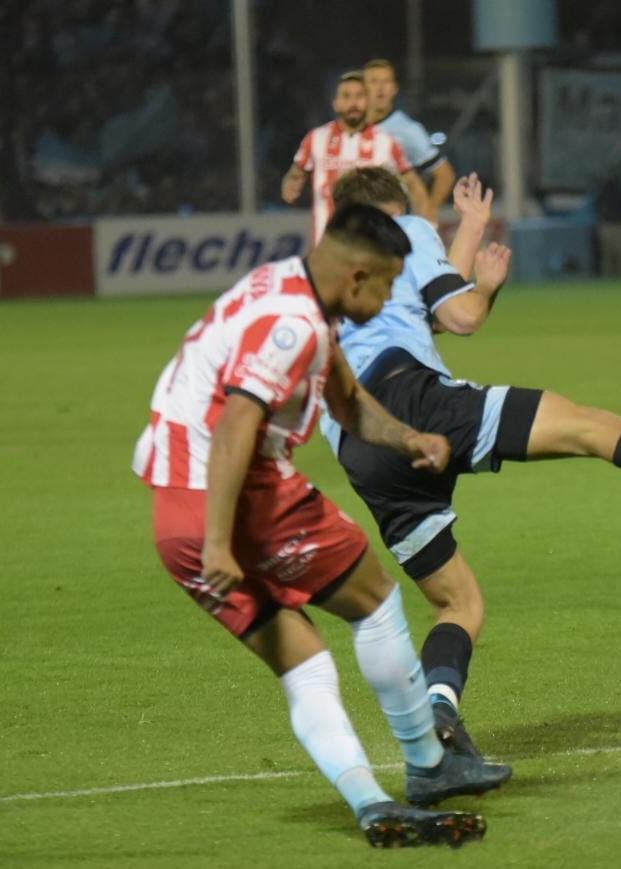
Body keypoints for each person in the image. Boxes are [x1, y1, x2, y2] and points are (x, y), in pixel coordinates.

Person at [320, 167, 621, 762]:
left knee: (458, 605)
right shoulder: (405, 229)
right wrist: (487, 284)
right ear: (391, 209)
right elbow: (462, 316)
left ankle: (439, 716)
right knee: (589, 428)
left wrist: (472, 229)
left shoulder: (323, 277)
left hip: (360, 451)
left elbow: (413, 307)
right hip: (415, 403)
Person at [132, 203, 511, 849]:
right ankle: (427, 761)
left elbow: (345, 400)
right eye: (391, 283)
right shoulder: (293, 325)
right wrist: (223, 539)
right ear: (358, 275)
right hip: (234, 497)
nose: (395, 296)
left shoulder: (285, 286)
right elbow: (234, 426)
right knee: (377, 601)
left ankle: (369, 801)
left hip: (173, 519)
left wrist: (408, 436)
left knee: (303, 664)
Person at [281, 71, 431, 245]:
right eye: (346, 96)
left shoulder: (385, 141)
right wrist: (291, 182)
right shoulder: (316, 139)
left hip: (372, 248)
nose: (353, 103)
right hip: (326, 247)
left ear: (368, 101)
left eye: (359, 96)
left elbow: (414, 186)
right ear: (335, 104)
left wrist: (424, 223)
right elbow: (296, 172)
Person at [363, 58, 457, 225]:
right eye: (374, 81)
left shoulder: (408, 130)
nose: (380, 88)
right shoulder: (351, 130)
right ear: (363, 88)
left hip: (394, 224)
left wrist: (428, 214)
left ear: (394, 89)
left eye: (386, 81)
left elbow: (445, 175)